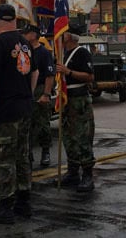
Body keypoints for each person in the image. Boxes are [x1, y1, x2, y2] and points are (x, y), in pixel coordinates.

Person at [0, 4, 36, 224]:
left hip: (4, 110)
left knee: (3, 158)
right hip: (24, 107)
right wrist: (27, 96)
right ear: (14, 19)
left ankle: (5, 208)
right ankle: (24, 202)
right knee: (22, 157)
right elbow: (33, 73)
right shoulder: (25, 43)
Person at [55, 24, 96, 193]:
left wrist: (68, 72)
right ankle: (72, 172)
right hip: (66, 99)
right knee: (67, 136)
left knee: (82, 136)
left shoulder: (81, 53)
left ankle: (87, 174)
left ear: (70, 36)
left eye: (63, 33)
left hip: (79, 99)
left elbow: (89, 77)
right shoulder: (61, 54)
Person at [22, 25, 55, 168]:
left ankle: (45, 151)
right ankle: (27, 154)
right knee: (26, 124)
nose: (24, 35)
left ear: (34, 35)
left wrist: (46, 94)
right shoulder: (24, 51)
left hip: (40, 89)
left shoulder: (44, 52)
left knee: (42, 124)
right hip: (27, 89)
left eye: (26, 33)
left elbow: (49, 75)